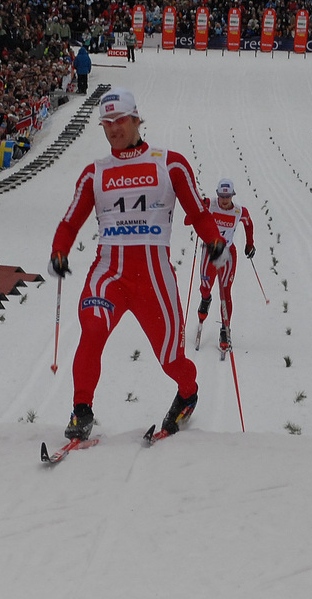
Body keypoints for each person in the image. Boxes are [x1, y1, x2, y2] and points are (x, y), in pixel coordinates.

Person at [50, 87, 226, 441]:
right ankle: (81, 411)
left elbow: (198, 212)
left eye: (120, 121)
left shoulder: (169, 163)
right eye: (107, 124)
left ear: (136, 120)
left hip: (154, 277)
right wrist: (60, 250)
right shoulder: (94, 173)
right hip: (109, 272)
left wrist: (215, 242)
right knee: (93, 329)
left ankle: (188, 393)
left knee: (170, 358)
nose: (114, 129)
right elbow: (70, 222)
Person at [188, 178, 254, 352]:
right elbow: (188, 220)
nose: (224, 200)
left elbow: (248, 224)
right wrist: (196, 209)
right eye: (221, 196)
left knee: (225, 292)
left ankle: (225, 330)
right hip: (209, 252)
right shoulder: (210, 204)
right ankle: (205, 299)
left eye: (228, 196)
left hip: (228, 254)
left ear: (232, 195)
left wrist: (250, 245)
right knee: (205, 287)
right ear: (217, 194)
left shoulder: (239, 211)